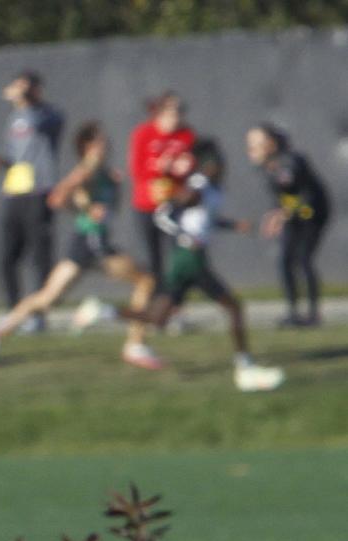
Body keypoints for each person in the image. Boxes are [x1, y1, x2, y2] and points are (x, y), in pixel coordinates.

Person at [0, 122, 161, 371]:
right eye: (100, 141)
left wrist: (106, 190)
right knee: (146, 281)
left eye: (105, 141)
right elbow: (57, 197)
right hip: (92, 241)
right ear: (87, 146)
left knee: (46, 299)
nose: (105, 145)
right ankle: (133, 344)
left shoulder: (105, 173)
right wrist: (85, 209)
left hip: (82, 243)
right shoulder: (87, 170)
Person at [120, 139, 284, 392]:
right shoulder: (199, 185)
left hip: (186, 259)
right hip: (190, 258)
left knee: (158, 318)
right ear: (208, 165)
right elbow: (169, 211)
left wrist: (233, 226)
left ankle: (102, 312)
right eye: (216, 162)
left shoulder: (210, 187)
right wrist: (184, 233)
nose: (221, 166)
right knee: (234, 307)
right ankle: (245, 368)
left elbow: (205, 219)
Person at [0, 71, 63, 331]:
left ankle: (37, 315)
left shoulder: (48, 114)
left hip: (39, 192)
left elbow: (40, 126)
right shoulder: (14, 117)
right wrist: (1, 162)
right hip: (14, 191)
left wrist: (25, 99)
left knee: (39, 257)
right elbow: (13, 154)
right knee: (8, 256)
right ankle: (14, 312)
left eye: (25, 88)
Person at [245, 124, 331, 327]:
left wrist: (281, 215)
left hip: (311, 214)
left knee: (303, 258)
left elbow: (305, 196)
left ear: (271, 144)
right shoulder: (267, 167)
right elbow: (281, 198)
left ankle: (313, 314)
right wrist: (275, 215)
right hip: (292, 215)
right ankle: (293, 312)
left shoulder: (289, 162)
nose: (251, 151)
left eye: (257, 145)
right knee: (284, 260)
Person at [128, 92, 195, 289]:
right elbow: (137, 170)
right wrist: (158, 167)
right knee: (153, 257)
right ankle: (158, 301)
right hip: (147, 205)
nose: (177, 114)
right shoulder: (143, 134)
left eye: (180, 109)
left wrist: (185, 168)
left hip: (175, 205)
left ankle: (175, 303)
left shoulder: (186, 135)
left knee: (179, 254)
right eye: (172, 109)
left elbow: (192, 167)